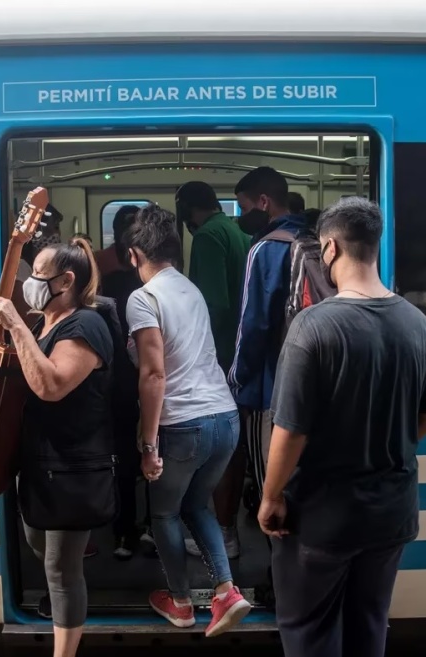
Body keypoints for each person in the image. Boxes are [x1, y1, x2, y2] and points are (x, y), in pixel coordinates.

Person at [257, 197, 426, 657]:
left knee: (310, 632)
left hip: (324, 516)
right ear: (373, 247)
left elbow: (291, 430)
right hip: (392, 514)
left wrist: (271, 496)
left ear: (330, 249)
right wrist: (384, 443)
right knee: (369, 625)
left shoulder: (314, 327)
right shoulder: (418, 324)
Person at [123, 204, 251, 636]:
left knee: (164, 514)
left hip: (183, 425)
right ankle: (226, 591)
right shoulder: (191, 289)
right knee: (197, 505)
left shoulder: (143, 298)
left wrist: (148, 445)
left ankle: (180, 602)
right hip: (224, 418)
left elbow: (153, 374)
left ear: (134, 255)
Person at [0, 237, 117, 657]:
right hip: (42, 465)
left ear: (66, 281)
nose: (31, 282)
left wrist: (16, 326)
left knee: (61, 570)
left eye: (39, 275)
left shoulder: (86, 327)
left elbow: (52, 385)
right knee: (44, 550)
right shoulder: (46, 324)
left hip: (70, 468)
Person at [228, 166, 309, 516]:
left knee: (272, 489)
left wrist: (236, 378)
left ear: (263, 202)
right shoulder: (312, 239)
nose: (242, 217)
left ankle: (278, 551)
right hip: (313, 379)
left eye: (244, 208)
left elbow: (252, 325)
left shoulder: (265, 248)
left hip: (270, 389)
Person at [176, 181, 251, 559]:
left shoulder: (207, 237)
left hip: (219, 357)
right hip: (243, 354)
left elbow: (212, 305)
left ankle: (222, 533)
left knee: (222, 449)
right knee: (237, 447)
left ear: (187, 210)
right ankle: (227, 526)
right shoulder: (237, 231)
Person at [98, 204, 146, 560]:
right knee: (129, 457)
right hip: (123, 379)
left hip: (136, 376)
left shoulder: (146, 281)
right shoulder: (110, 277)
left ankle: (132, 531)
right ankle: (129, 529)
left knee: (138, 456)